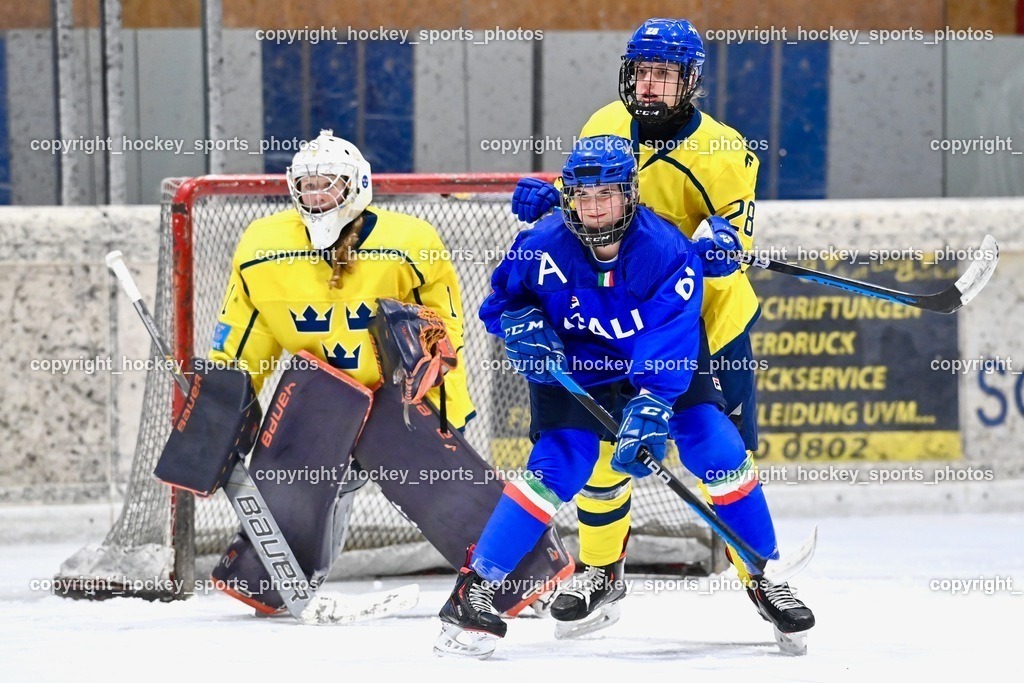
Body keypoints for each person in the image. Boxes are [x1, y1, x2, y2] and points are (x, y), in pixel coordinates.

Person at [435, 135, 809, 659]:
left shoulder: (665, 251)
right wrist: (521, 324)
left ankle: (763, 574)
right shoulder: (541, 243)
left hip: (660, 360)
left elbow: (672, 338)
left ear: (630, 194)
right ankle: (474, 591)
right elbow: (501, 301)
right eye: (582, 196)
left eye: (605, 195)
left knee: (714, 445)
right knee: (559, 464)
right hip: (577, 364)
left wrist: (652, 403)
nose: (593, 208)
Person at [511, 18, 787, 641]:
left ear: (690, 82)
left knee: (724, 460)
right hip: (618, 321)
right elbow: (587, 197)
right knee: (606, 452)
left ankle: (760, 579)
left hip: (706, 322)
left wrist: (725, 242)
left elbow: (734, 234)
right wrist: (550, 197)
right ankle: (602, 573)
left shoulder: (724, 151)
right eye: (642, 72)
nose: (650, 85)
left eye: (664, 74)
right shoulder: (603, 124)